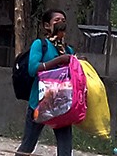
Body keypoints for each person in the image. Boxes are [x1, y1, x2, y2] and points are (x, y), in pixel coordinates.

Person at [17, 9, 76, 156]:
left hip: (62, 104)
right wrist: (59, 61)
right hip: (39, 102)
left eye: (63, 20)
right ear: (46, 26)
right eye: (56, 20)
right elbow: (33, 68)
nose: (60, 23)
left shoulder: (68, 49)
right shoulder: (40, 44)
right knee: (27, 146)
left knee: (65, 150)